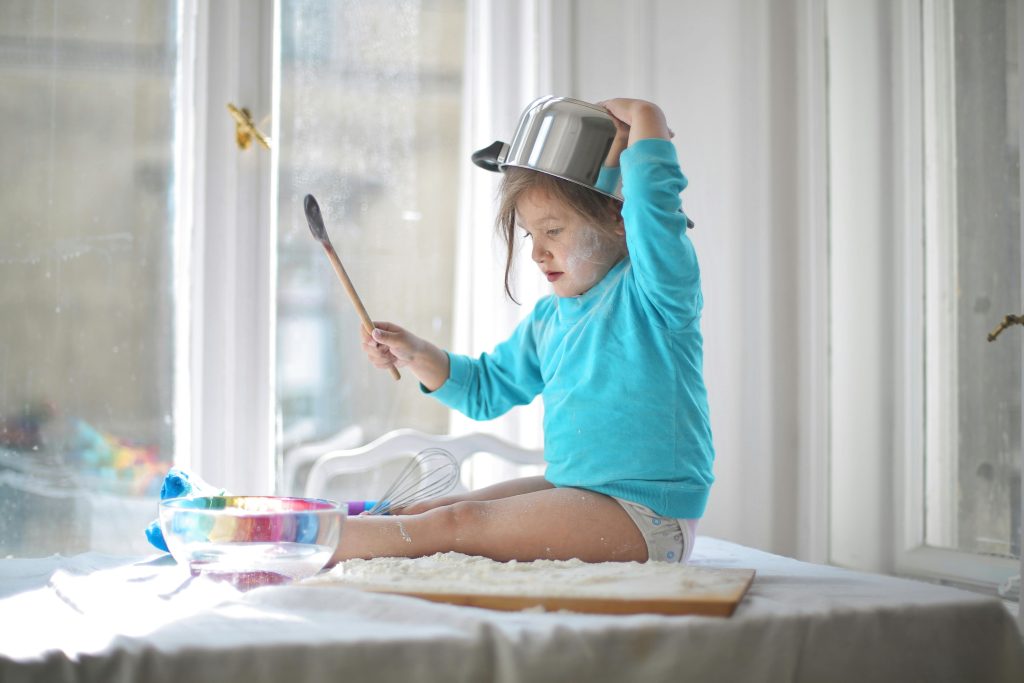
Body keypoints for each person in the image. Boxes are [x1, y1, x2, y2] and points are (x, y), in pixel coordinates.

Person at [331, 97, 714, 565]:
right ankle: (325, 541)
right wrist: (413, 353)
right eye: (531, 235)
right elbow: (485, 390)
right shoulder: (549, 320)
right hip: (581, 491)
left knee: (456, 524)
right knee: (432, 509)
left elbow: (655, 212)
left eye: (553, 231)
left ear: (618, 221)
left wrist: (648, 119)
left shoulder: (655, 295)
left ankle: (306, 543)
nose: (536, 253)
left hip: (646, 515)